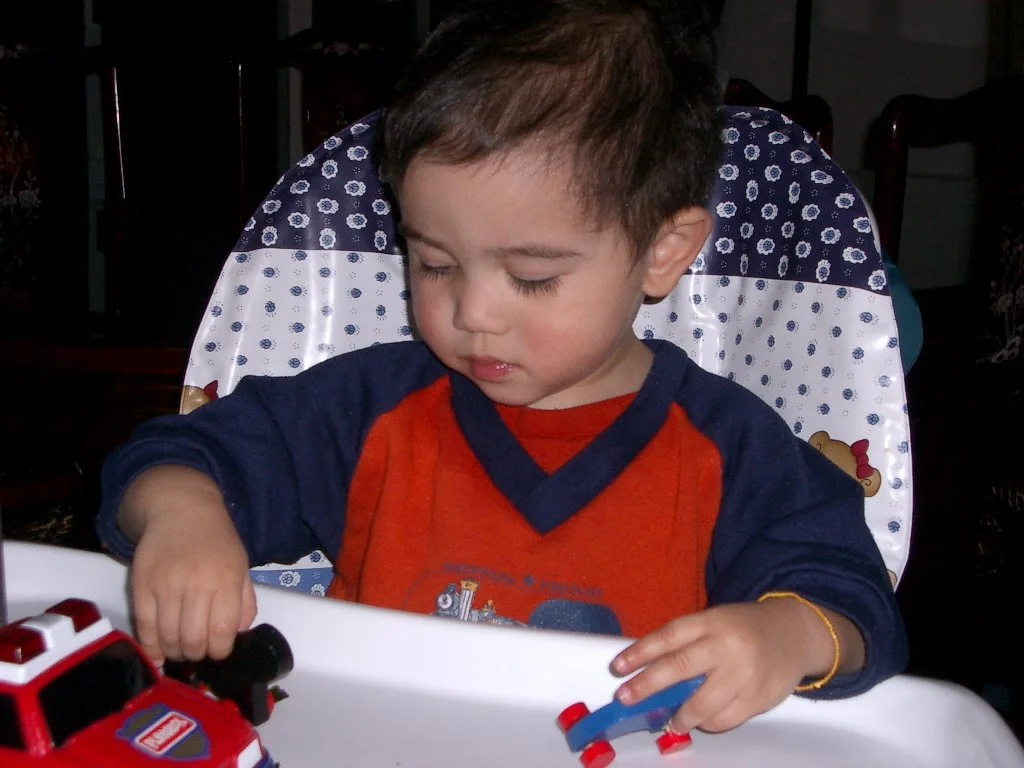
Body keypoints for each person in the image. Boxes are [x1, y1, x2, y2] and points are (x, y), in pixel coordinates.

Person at [95, 0, 907, 736]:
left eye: (532, 277)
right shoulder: (366, 410)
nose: (473, 312)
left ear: (664, 251)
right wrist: (183, 516)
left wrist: (781, 636)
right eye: (435, 263)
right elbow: (177, 456)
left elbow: (851, 599)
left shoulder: (727, 447)